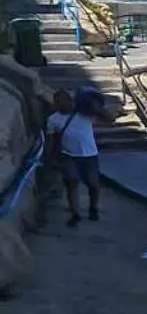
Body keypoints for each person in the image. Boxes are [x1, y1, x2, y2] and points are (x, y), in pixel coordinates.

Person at [45, 90, 101, 227]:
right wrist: (50, 157)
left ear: (70, 101)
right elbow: (51, 140)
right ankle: (75, 214)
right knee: (71, 183)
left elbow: (109, 118)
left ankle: (93, 208)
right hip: (68, 156)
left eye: (62, 101)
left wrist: (96, 107)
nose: (59, 104)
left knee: (93, 184)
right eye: (57, 101)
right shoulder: (53, 119)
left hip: (90, 155)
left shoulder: (84, 113)